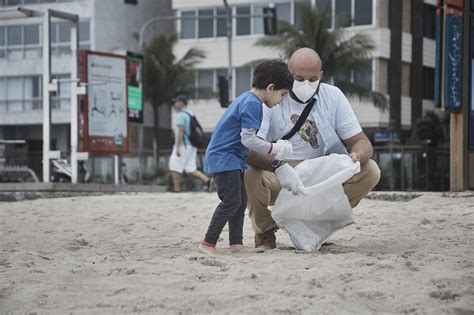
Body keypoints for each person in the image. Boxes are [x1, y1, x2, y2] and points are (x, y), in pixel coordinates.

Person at [244, 47, 381, 249]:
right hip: (280, 172)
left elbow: (360, 141)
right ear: (288, 75)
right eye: (298, 79)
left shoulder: (333, 96)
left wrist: (357, 155)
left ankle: (319, 226)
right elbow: (249, 149)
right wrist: (279, 166)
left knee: (370, 170)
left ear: (321, 76)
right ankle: (264, 231)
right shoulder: (270, 96)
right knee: (250, 174)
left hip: (319, 170)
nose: (305, 84)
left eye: (312, 79)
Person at [199, 59, 294, 255]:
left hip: (230, 159)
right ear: (270, 88)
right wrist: (275, 148)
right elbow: (248, 140)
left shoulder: (246, 99)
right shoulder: (253, 104)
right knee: (231, 201)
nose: (282, 100)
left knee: (240, 201)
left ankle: (236, 244)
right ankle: (208, 243)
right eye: (283, 94)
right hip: (225, 159)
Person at [168, 95, 212, 192]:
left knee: (175, 166)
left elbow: (181, 132)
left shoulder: (181, 115)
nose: (175, 104)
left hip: (183, 144)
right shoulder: (190, 114)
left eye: (176, 102)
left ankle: (177, 189)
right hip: (192, 145)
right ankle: (208, 181)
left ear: (181, 103)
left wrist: (178, 147)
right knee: (190, 168)